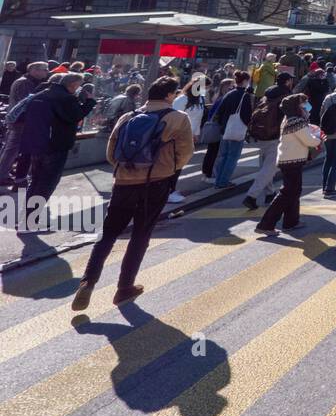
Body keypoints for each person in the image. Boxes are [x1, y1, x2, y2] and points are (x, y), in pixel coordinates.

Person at [71, 77, 194, 309]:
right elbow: (185, 153)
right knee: (140, 234)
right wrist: (167, 168)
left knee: (108, 233)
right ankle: (124, 287)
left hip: (123, 182)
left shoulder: (128, 117)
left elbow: (111, 151)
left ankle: (88, 281)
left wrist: (127, 170)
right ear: (169, 95)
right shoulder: (178, 119)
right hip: (155, 182)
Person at [21, 72, 97, 220]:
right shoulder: (66, 98)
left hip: (37, 142)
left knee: (36, 180)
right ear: (73, 85)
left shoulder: (42, 93)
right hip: (55, 145)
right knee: (47, 182)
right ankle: (30, 221)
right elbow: (75, 116)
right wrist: (89, 102)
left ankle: (26, 217)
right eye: (78, 86)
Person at [256, 93, 320, 236]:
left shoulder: (289, 119)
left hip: (289, 160)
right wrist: (318, 138)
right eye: (303, 103)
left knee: (293, 191)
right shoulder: (296, 121)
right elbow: (309, 140)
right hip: (292, 161)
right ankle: (266, 224)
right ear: (295, 106)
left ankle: (291, 221)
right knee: (287, 193)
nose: (306, 106)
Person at [243, 72, 294, 210]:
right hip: (276, 136)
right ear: (288, 81)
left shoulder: (267, 95)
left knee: (266, 166)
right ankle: (251, 196)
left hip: (261, 134)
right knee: (269, 169)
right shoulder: (287, 97)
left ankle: (269, 193)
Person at [211, 71, 253, 190]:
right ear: (245, 81)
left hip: (225, 129)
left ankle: (218, 180)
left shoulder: (229, 94)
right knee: (232, 157)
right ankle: (223, 181)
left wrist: (222, 125)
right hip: (236, 129)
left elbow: (220, 111)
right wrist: (247, 128)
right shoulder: (244, 96)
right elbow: (247, 115)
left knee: (223, 156)